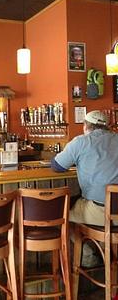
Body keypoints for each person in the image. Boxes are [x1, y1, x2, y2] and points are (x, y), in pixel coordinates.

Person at [51, 110, 118, 266]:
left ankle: (88, 257)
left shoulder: (81, 142)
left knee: (61, 217)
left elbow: (57, 166)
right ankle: (108, 255)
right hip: (115, 213)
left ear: (86, 125)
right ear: (107, 126)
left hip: (99, 211)